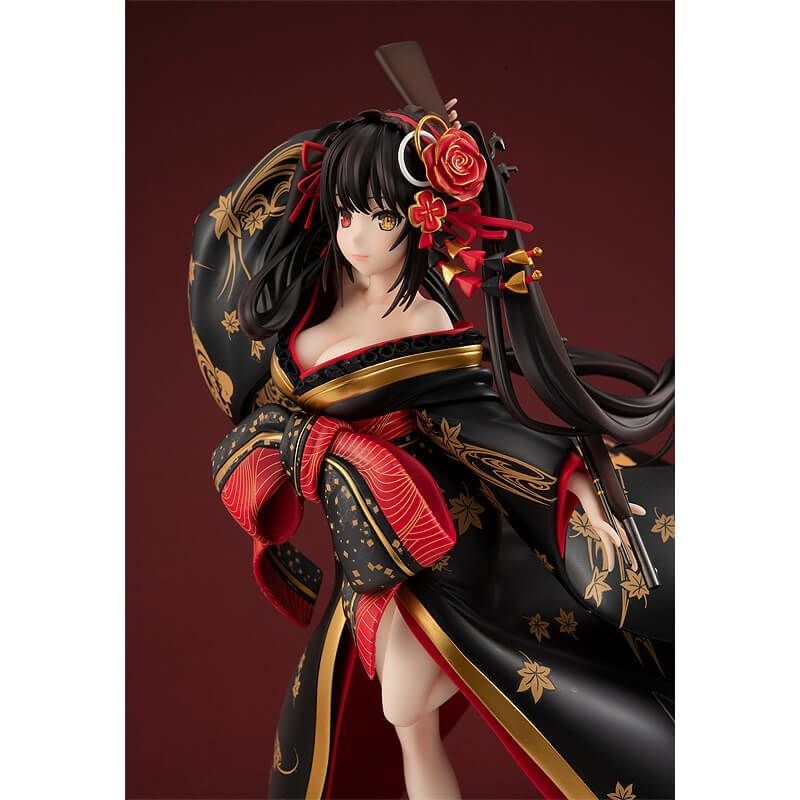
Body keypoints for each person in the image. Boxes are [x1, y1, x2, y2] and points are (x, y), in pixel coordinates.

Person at [189, 98, 674, 800]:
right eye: (346, 214)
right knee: (396, 729)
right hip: (366, 541)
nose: (358, 236)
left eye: (381, 217)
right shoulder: (316, 295)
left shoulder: (422, 315)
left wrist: (572, 483)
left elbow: (479, 421)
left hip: (440, 532)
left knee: (403, 704)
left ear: (421, 219)